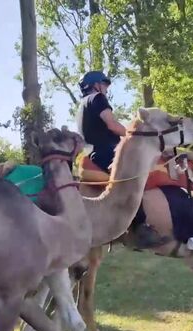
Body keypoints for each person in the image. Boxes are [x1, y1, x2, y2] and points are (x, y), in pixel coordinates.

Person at [76, 71, 167, 249]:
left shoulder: (83, 105)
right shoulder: (97, 99)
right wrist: (136, 136)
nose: (106, 89)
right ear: (95, 85)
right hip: (106, 152)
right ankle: (140, 228)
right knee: (135, 179)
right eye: (104, 85)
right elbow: (111, 124)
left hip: (94, 152)